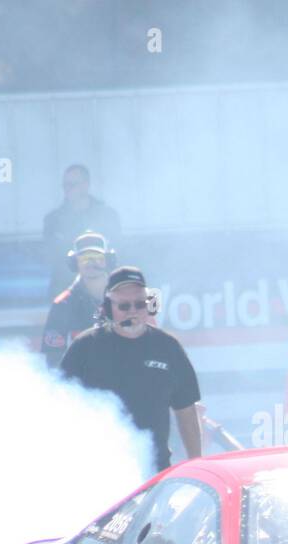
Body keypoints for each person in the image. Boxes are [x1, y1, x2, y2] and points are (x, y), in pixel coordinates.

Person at [59, 266, 202, 474]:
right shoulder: (85, 347)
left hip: (155, 474)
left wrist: (196, 465)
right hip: (97, 472)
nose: (133, 311)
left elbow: (186, 410)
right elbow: (61, 405)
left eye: (139, 304)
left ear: (150, 305)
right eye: (124, 306)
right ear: (108, 308)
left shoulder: (168, 347)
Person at [43, 164, 122, 300]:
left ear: (86, 185)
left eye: (72, 184)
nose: (67, 189)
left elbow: (117, 251)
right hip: (66, 291)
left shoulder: (107, 216)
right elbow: (52, 258)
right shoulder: (53, 221)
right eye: (65, 185)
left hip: (100, 291)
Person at [40, 232, 113, 367]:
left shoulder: (127, 299)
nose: (92, 263)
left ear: (108, 260)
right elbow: (53, 359)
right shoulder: (62, 304)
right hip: (83, 381)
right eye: (85, 258)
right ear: (74, 263)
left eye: (98, 258)